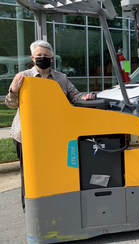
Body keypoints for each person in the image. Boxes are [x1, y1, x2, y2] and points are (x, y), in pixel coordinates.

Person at [5, 40, 96, 210]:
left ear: (52, 59)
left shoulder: (61, 78)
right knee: (30, 173)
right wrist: (13, 90)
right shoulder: (23, 77)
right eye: (39, 56)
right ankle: (30, 208)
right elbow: (10, 104)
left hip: (52, 133)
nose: (42, 58)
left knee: (52, 170)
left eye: (46, 56)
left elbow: (74, 95)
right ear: (32, 58)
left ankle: (51, 204)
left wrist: (84, 97)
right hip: (26, 134)